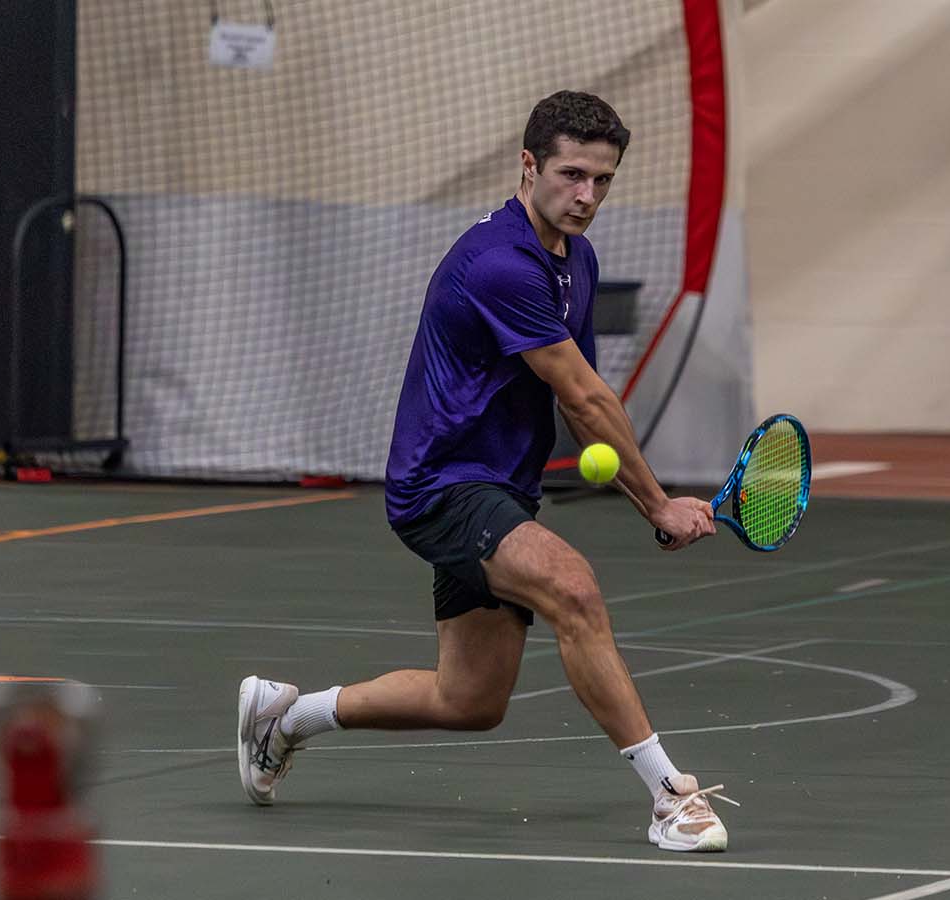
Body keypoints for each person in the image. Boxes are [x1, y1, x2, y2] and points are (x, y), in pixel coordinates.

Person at [237, 91, 734, 852]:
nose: (587, 195)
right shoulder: (501, 263)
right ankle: (671, 796)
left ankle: (284, 719)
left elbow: (579, 399)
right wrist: (659, 504)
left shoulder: (578, 260)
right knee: (573, 588)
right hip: (442, 485)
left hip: (502, 488)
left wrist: (650, 502)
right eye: (571, 175)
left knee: (469, 699)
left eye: (602, 180)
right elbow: (586, 397)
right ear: (529, 165)